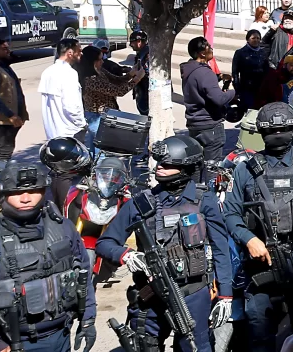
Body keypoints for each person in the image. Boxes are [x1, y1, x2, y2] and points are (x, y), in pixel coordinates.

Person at [96, 135, 233, 352]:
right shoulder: (140, 203)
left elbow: (220, 248)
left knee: (195, 346)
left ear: (186, 167)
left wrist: (225, 294)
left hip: (193, 294)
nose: (159, 168)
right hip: (150, 295)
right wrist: (127, 255)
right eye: (159, 162)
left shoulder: (204, 200)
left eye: (168, 164)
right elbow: (105, 243)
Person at [223, 102, 293, 352]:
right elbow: (231, 213)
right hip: (261, 261)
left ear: (292, 129)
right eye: (272, 130)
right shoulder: (246, 169)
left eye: (283, 128)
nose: (278, 134)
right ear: (262, 133)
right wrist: (248, 239)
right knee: (260, 334)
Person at [0, 162, 97, 352]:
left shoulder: (63, 227)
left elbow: (83, 274)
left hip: (62, 336)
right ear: (3, 194)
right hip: (12, 342)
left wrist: (88, 318)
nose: (25, 198)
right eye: (16, 192)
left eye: (33, 190)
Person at [181, 37, 236, 167]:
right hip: (209, 126)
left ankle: (197, 187)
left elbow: (200, 85)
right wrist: (234, 93)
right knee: (212, 168)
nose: (212, 49)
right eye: (209, 47)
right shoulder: (205, 73)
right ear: (202, 53)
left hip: (194, 125)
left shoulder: (189, 69)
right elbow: (219, 99)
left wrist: (219, 77)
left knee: (196, 166)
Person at [79, 45, 145, 145]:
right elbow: (118, 91)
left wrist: (131, 74)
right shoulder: (91, 79)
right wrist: (137, 79)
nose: (102, 61)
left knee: (97, 151)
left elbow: (117, 80)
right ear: (92, 61)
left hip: (105, 116)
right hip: (97, 118)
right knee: (103, 152)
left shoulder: (99, 71)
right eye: (100, 59)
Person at [128, 30, 151, 115]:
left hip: (146, 92)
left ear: (139, 42)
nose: (130, 45)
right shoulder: (142, 53)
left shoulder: (147, 54)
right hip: (142, 91)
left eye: (132, 42)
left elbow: (147, 73)